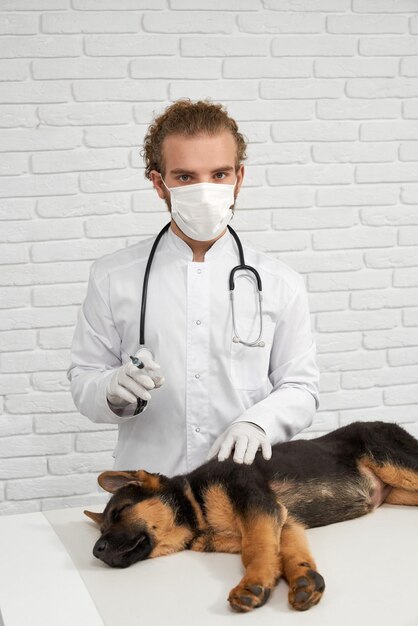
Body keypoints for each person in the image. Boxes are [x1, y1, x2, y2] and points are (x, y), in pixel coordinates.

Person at [67, 99, 320, 475]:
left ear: (240, 177)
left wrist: (259, 422)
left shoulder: (280, 283)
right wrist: (111, 389)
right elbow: (84, 379)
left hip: (245, 489)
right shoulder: (112, 278)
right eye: (185, 177)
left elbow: (301, 387)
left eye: (219, 175)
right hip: (149, 491)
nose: (205, 190)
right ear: (159, 183)